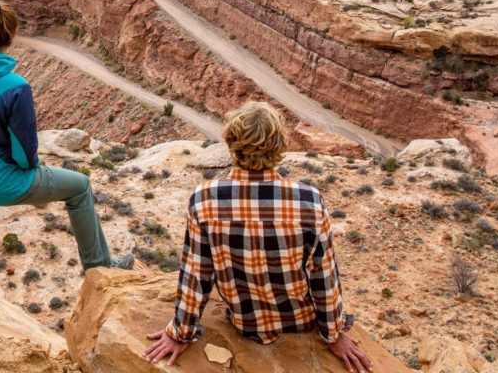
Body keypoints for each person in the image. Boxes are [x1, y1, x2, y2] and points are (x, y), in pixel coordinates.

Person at [0, 0, 132, 360]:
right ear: (9, 36)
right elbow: (26, 151)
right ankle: (98, 265)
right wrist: (23, 170)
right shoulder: (15, 86)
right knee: (79, 187)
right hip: (6, 180)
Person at [143, 101, 373, 373]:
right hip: (302, 321)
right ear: (280, 146)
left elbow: (197, 275)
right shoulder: (310, 202)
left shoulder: (205, 200)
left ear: (231, 143)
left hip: (245, 323)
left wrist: (179, 332)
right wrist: (333, 334)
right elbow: (324, 276)